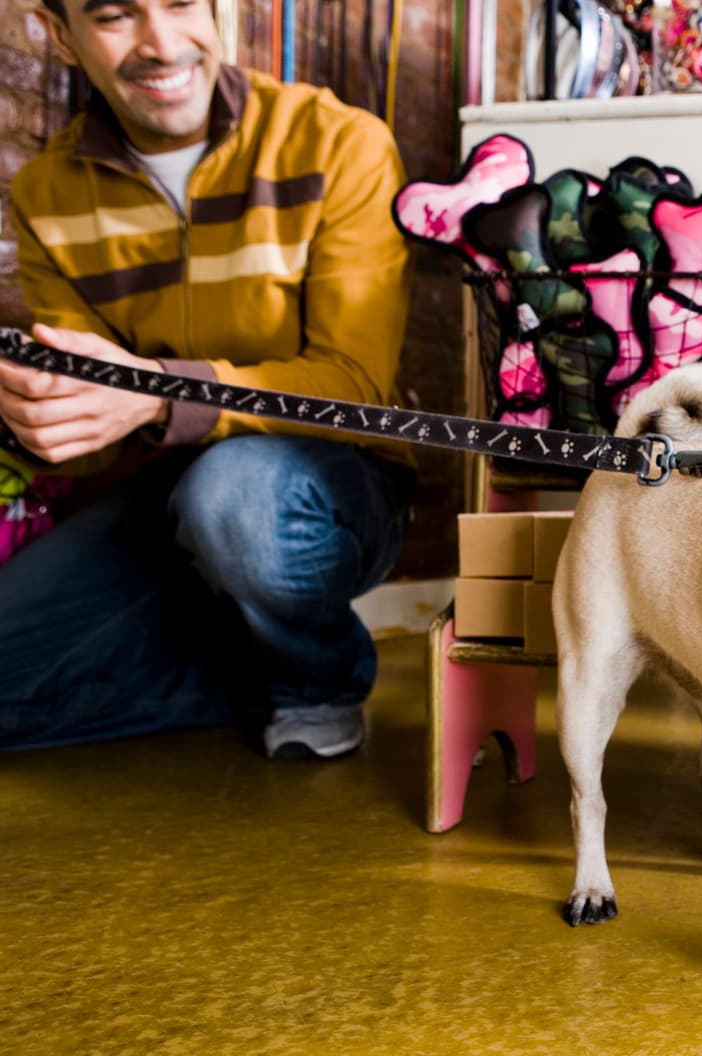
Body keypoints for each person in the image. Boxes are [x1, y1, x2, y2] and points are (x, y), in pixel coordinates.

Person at [0, 0, 417, 758]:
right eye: (115, 15)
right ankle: (245, 674)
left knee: (234, 495)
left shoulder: (338, 143)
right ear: (61, 35)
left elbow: (355, 386)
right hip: (161, 499)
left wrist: (158, 392)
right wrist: (42, 414)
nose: (161, 44)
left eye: (182, 4)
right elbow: (95, 431)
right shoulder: (46, 195)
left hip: (331, 484)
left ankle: (318, 682)